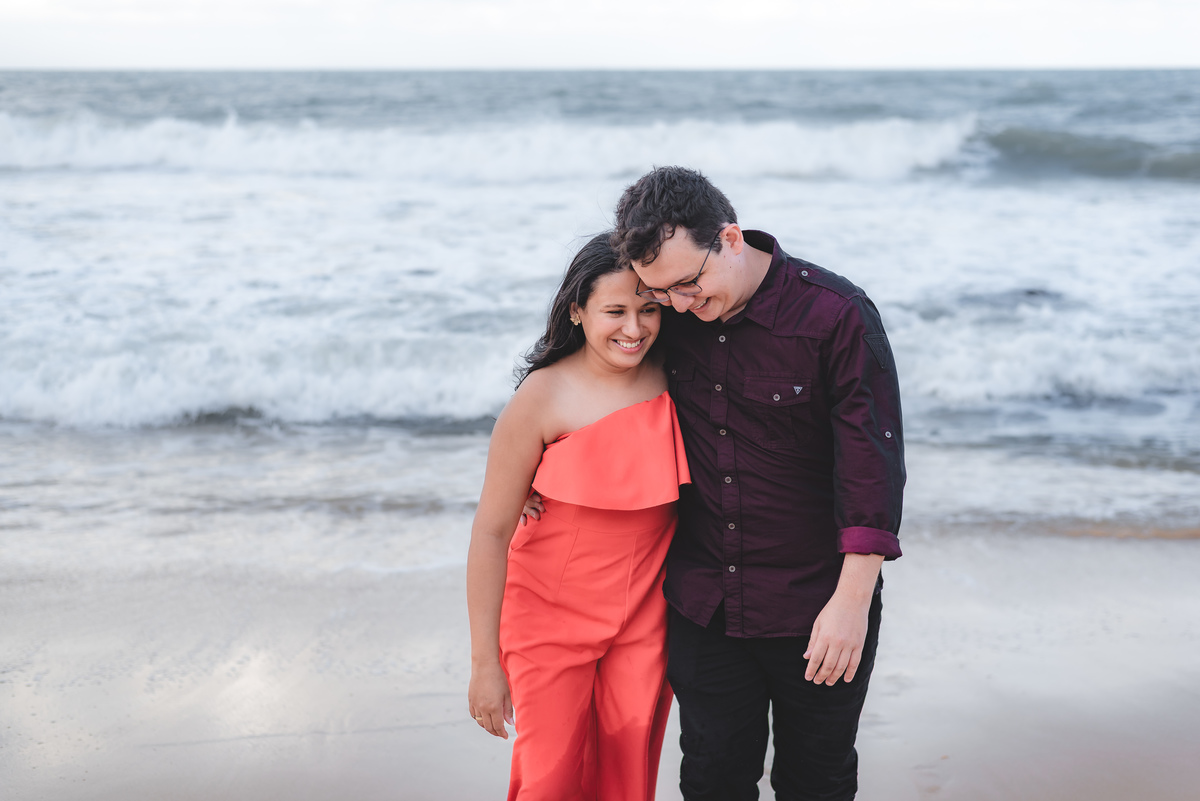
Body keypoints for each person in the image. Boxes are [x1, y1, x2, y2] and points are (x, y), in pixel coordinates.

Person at [609, 166, 905, 801]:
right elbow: (594, 367)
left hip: (818, 606)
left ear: (732, 238)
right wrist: (536, 465)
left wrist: (851, 604)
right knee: (712, 780)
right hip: (703, 603)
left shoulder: (836, 315)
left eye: (691, 281)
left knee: (816, 781)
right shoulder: (672, 315)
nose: (681, 304)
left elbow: (872, 467)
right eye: (664, 293)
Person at [466, 232, 690, 801]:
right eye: (614, 310)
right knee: (550, 778)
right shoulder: (542, 396)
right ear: (577, 310)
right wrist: (484, 665)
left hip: (645, 617)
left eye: (648, 309)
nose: (633, 328)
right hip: (546, 618)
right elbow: (491, 533)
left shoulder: (678, 375)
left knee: (626, 776)